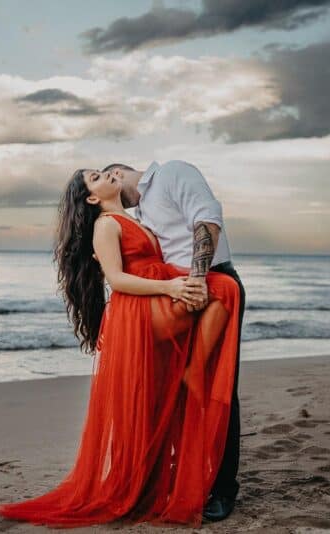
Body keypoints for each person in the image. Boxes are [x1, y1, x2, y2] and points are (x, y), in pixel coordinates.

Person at [0, 168, 241, 528]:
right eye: (96, 177)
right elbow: (117, 279)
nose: (105, 175)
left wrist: (179, 280)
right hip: (138, 309)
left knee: (224, 291)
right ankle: (191, 372)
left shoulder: (137, 219)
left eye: (105, 172)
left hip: (157, 294)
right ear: (92, 198)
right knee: (225, 290)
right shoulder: (105, 226)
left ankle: (191, 370)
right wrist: (173, 288)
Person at [102, 160, 245, 522]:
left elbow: (208, 219)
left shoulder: (172, 173)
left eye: (106, 178)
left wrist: (197, 279)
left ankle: (224, 490)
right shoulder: (141, 213)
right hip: (177, 297)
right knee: (175, 391)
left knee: (217, 388)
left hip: (211, 285)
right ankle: (181, 479)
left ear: (116, 175)